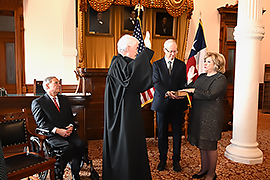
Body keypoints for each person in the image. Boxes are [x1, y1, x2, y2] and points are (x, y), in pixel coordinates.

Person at [102, 33, 154, 180]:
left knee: (132, 145)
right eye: (137, 48)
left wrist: (145, 54)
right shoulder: (117, 62)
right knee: (125, 146)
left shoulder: (124, 62)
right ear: (128, 47)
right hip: (121, 115)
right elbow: (131, 79)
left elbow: (138, 78)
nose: (138, 51)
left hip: (129, 112)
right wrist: (147, 51)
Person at [182, 52, 228, 180]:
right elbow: (191, 90)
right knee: (202, 145)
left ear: (217, 64)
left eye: (208, 62)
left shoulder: (220, 78)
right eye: (205, 61)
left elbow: (209, 94)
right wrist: (190, 80)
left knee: (210, 146)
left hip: (211, 117)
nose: (205, 64)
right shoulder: (202, 76)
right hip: (199, 115)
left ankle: (211, 174)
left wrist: (193, 90)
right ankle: (204, 169)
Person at [31, 76, 86, 180]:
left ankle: (75, 172)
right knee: (67, 147)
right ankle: (58, 171)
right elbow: (41, 123)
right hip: (51, 134)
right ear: (47, 86)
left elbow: (70, 117)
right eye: (56, 83)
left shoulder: (64, 100)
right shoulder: (38, 102)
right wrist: (58, 130)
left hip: (67, 132)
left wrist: (70, 126)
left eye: (59, 83)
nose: (59, 85)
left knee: (80, 144)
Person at [151, 39, 187, 172]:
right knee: (162, 133)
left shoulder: (181, 65)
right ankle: (162, 159)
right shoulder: (156, 64)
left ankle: (176, 160)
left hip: (177, 103)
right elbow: (156, 82)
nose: (173, 54)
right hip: (162, 104)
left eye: (175, 51)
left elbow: (183, 83)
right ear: (164, 50)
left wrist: (181, 91)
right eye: (170, 51)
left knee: (177, 133)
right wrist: (167, 92)